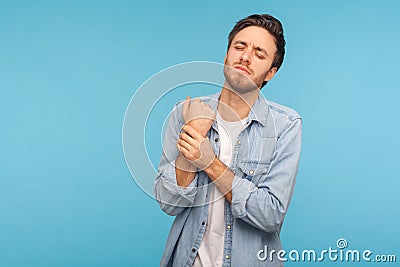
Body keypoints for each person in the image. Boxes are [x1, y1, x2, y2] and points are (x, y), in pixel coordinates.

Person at [154, 14, 302, 267]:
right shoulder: (186, 112)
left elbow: (270, 215)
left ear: (271, 73)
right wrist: (194, 132)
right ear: (226, 56)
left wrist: (209, 161)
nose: (245, 56)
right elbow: (169, 203)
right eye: (240, 46)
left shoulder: (286, 126)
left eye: (259, 53)